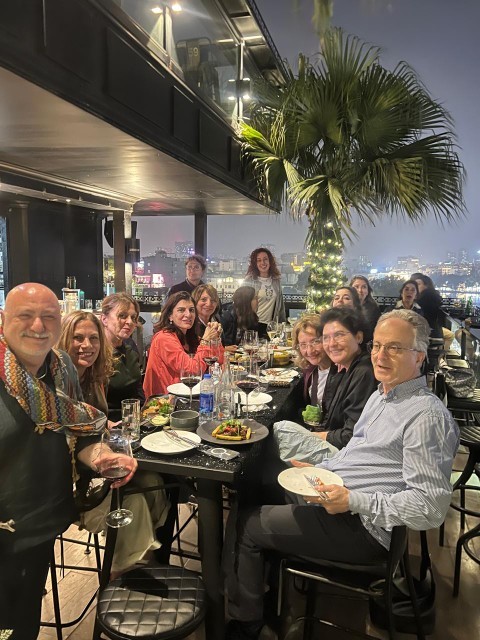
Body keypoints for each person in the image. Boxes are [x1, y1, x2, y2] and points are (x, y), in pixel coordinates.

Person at [224, 309, 459, 640]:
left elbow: (430, 508)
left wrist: (353, 500)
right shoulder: (383, 394)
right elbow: (355, 452)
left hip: (362, 527)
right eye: (378, 345)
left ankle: (246, 624)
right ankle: (264, 594)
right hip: (335, 493)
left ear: (419, 356)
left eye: (394, 347)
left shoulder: (426, 418)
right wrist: (321, 469)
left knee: (248, 524)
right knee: (254, 485)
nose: (380, 355)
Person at [0, 283, 136, 640]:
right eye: (25, 316)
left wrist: (103, 458)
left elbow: (81, 435)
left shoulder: (61, 368)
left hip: (44, 520)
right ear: (3, 320)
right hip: (5, 532)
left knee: (22, 621)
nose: (38, 326)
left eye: (48, 317)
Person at [58, 310, 170, 577]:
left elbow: (92, 425)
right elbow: (71, 436)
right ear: (63, 341)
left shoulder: (93, 378)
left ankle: (143, 558)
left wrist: (106, 427)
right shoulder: (57, 385)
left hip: (95, 466)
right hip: (68, 485)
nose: (87, 345)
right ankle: (122, 575)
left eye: (93, 338)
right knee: (133, 503)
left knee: (154, 481)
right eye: (78, 338)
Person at [273, 308, 376, 465]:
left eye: (339, 335)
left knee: (280, 429)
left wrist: (311, 436)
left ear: (359, 336)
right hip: (335, 442)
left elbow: (352, 435)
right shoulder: (344, 367)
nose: (332, 344)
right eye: (327, 338)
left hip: (345, 455)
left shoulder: (363, 372)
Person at [143, 291, 223, 396]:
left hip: (188, 395)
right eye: (181, 310)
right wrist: (206, 341)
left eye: (191, 310)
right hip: (166, 400)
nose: (188, 314)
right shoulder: (164, 338)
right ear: (170, 316)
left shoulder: (190, 337)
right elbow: (192, 371)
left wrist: (215, 339)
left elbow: (219, 361)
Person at [101, 293, 145, 421]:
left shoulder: (130, 348)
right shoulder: (95, 353)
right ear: (104, 319)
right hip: (107, 424)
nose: (130, 322)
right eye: (122, 316)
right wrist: (107, 424)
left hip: (134, 421)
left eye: (133, 317)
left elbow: (137, 389)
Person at [243, 248, 286, 323]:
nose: (263, 263)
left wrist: (282, 323)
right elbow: (242, 304)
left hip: (271, 326)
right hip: (253, 324)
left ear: (270, 261)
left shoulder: (276, 281)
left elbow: (280, 306)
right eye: (259, 260)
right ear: (255, 264)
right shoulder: (249, 281)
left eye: (265, 259)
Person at [410, 273, 443, 338]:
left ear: (426, 286)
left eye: (418, 284)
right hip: (433, 329)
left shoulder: (427, 298)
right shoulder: (430, 295)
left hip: (426, 332)